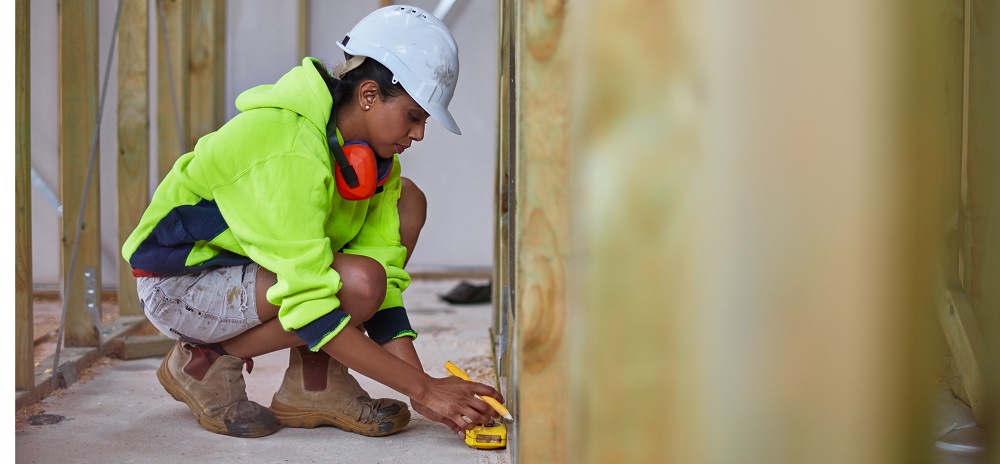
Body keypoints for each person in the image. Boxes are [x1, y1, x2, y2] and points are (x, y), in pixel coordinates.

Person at [121, 4, 503, 439]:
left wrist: (426, 393)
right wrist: (425, 387)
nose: (419, 134)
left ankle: (315, 385)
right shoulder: (290, 148)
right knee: (355, 283)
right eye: (414, 116)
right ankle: (205, 361)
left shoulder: (377, 165)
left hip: (250, 276)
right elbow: (313, 301)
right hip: (178, 283)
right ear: (369, 95)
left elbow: (383, 290)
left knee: (404, 209)